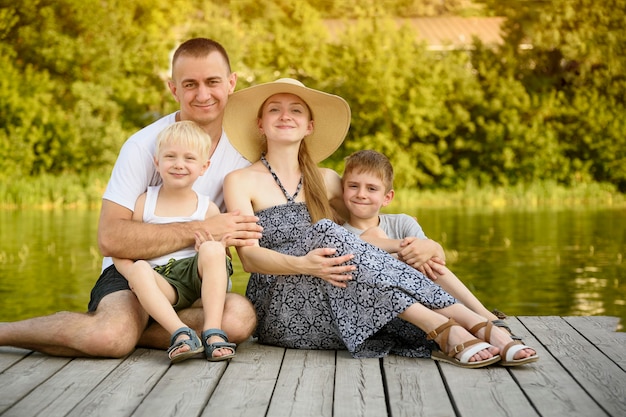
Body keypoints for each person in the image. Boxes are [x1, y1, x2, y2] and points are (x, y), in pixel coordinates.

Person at [221, 78, 539, 368]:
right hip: (280, 309)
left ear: (309, 126)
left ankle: (468, 324)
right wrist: (307, 265)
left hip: (334, 293)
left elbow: (366, 238)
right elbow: (249, 259)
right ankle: (457, 325)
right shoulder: (240, 181)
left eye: (296, 110)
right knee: (325, 230)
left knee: (389, 257)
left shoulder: (328, 180)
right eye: (274, 109)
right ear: (260, 124)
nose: (285, 115)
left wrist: (421, 243)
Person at [0, 38, 261, 358]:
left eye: (213, 82)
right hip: (134, 275)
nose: (203, 94)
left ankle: (156, 331)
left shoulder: (245, 151)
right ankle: (7, 332)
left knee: (238, 319)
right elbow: (111, 238)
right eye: (190, 84)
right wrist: (202, 228)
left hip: (193, 278)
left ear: (231, 83)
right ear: (173, 89)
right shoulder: (144, 146)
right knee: (110, 338)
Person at [341, 149, 522, 339]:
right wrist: (403, 247)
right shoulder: (339, 233)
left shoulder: (402, 222)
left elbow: (438, 261)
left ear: (387, 197)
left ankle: (484, 316)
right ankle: (480, 321)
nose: (361, 194)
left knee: (428, 262)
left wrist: (431, 247)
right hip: (388, 313)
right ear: (343, 189)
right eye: (353, 186)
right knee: (401, 251)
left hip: (428, 304)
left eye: (371, 188)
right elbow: (364, 245)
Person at [113, 121, 237, 363]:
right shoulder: (144, 202)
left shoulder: (207, 208)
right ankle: (180, 333)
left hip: (197, 279)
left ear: (204, 167)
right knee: (138, 268)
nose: (179, 164)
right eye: (170, 156)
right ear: (157, 163)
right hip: (163, 282)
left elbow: (224, 257)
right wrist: (135, 277)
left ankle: (213, 332)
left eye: (189, 158)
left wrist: (211, 250)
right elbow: (121, 250)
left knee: (213, 249)